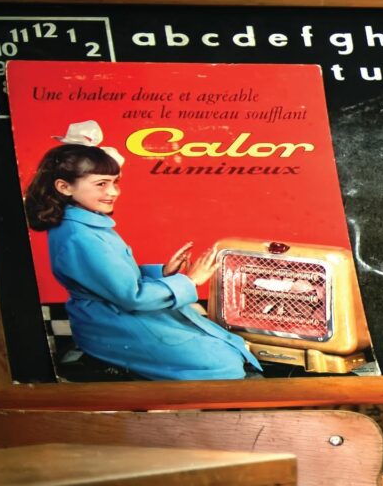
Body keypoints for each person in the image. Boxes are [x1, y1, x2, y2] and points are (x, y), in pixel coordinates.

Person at [23, 123, 261, 381]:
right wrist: (190, 280)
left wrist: (165, 272)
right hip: (110, 326)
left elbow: (111, 279)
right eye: (101, 184)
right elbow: (131, 297)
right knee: (223, 365)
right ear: (64, 187)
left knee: (220, 345)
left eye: (115, 182)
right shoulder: (80, 236)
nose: (113, 192)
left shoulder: (84, 224)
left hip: (114, 316)